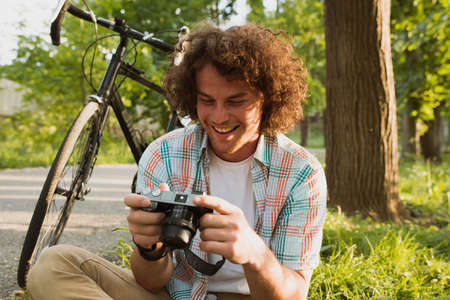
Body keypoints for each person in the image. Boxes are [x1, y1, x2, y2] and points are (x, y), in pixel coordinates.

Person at [26, 24, 327, 300]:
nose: (219, 117)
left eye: (236, 101)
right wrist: (148, 248)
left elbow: (292, 294)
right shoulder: (164, 155)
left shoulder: (301, 173)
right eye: (207, 100)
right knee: (54, 264)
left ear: (268, 98)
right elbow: (151, 283)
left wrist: (256, 255)